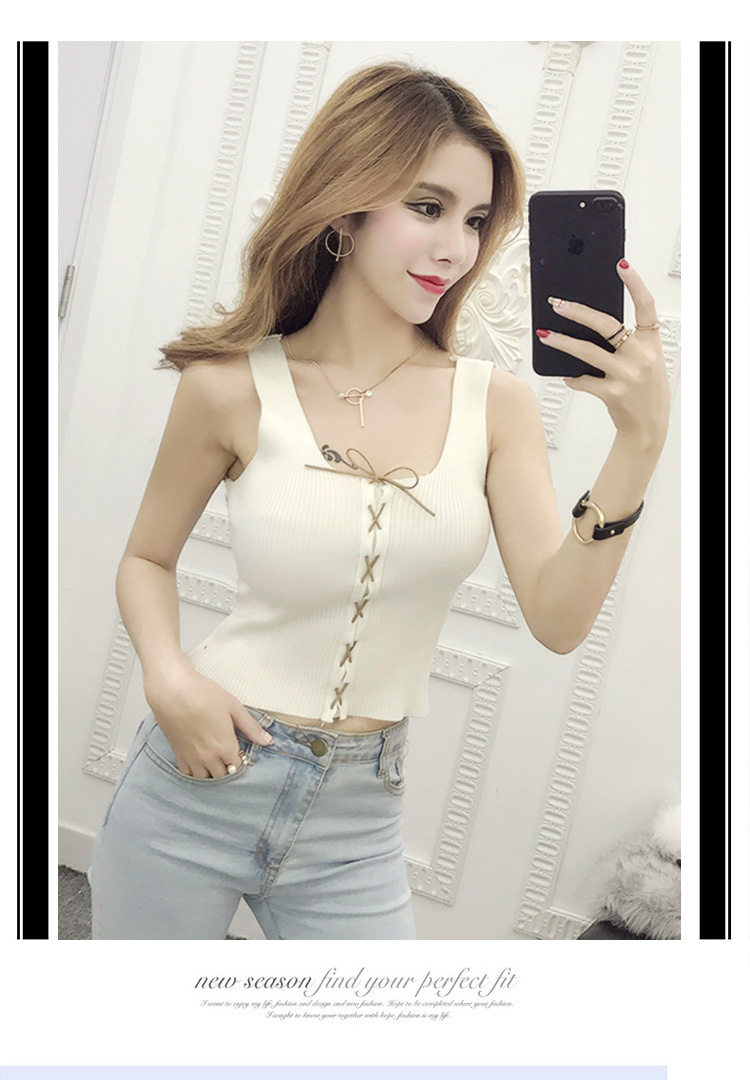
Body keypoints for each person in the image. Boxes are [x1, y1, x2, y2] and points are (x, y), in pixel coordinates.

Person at [89, 61, 670, 940]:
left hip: (356, 819)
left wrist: (639, 444)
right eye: (428, 207)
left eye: (474, 221)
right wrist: (169, 678)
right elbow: (146, 557)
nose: (457, 248)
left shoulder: (495, 405)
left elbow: (557, 620)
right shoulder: (228, 387)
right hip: (195, 778)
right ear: (344, 206)